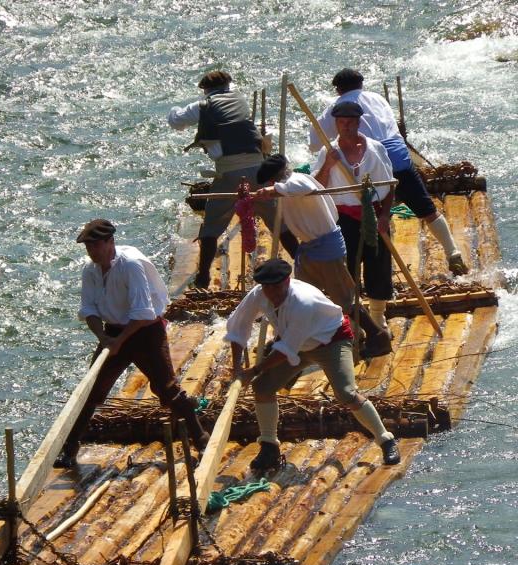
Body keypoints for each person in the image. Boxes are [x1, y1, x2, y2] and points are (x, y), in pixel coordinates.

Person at [55, 219, 210, 468]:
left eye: (96, 246)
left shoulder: (131, 265)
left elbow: (144, 312)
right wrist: (105, 339)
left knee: (167, 389)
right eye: (88, 247)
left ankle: (201, 439)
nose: (92, 252)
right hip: (113, 332)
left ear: (110, 242)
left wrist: (120, 340)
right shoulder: (90, 270)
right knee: (91, 391)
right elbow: (89, 309)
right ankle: (70, 449)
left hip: (145, 331)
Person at [225, 258, 400, 471]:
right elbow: (237, 329)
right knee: (262, 388)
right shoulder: (258, 295)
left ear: (287, 281)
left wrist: (253, 370)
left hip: (331, 341)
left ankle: (386, 440)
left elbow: (286, 348)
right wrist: (236, 369)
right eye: (267, 288)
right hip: (297, 343)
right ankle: (269, 447)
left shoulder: (302, 302)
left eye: (277, 287)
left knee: (346, 394)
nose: (272, 293)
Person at [309, 68, 468, 276]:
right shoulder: (378, 98)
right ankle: (452, 250)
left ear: (338, 90)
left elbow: (314, 143)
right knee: (427, 209)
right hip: (399, 157)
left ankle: (361, 268)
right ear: (361, 84)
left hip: (371, 161)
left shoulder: (336, 107)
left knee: (370, 208)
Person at [253, 153, 391, 358]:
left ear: (276, 178)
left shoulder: (296, 181)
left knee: (345, 299)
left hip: (327, 250)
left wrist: (269, 191)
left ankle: (378, 337)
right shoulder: (286, 189)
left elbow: (296, 188)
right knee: (298, 299)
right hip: (310, 251)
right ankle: (287, 340)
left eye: (273, 182)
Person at [168, 70, 298, 288]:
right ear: (228, 86)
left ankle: (203, 277)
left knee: (212, 225)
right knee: (277, 222)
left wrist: (173, 108)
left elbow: (176, 121)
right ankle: (303, 261)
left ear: (205, 89)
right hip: (259, 168)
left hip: (229, 172)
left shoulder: (203, 106)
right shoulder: (239, 100)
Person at [312, 101, 394, 336]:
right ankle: (355, 323)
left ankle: (378, 319)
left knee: (378, 264)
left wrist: (385, 215)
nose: (346, 127)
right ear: (336, 124)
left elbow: (390, 185)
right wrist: (328, 165)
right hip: (343, 217)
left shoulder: (376, 149)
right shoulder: (328, 152)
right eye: (341, 122)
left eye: (350, 122)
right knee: (345, 272)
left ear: (359, 123)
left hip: (374, 214)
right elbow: (318, 186)